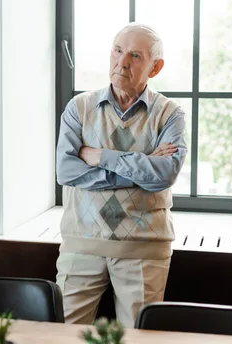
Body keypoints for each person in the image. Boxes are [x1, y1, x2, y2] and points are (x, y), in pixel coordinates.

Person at [55, 22, 188, 327]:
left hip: (144, 248)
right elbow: (66, 170)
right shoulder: (79, 108)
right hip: (81, 242)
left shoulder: (170, 114)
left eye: (135, 56)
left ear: (155, 68)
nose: (122, 62)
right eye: (117, 50)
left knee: (139, 340)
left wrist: (101, 156)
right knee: (61, 336)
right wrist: (139, 167)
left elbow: (164, 174)